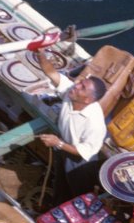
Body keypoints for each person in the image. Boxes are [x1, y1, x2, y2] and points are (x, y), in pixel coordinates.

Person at [35, 52, 108, 201]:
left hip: (80, 161)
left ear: (87, 100)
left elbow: (83, 152)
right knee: (60, 184)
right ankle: (56, 209)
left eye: (82, 88)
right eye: (80, 83)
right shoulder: (71, 93)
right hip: (63, 147)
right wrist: (40, 53)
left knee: (78, 195)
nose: (76, 86)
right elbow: (52, 73)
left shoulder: (94, 123)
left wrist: (58, 143)